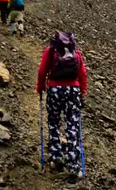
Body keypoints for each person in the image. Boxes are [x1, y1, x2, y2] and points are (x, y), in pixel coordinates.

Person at [36, 32, 87, 180]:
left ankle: (56, 158)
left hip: (54, 90)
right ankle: (74, 165)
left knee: (54, 123)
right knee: (73, 126)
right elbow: (82, 74)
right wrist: (82, 91)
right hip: (73, 91)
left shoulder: (50, 51)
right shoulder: (76, 53)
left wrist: (40, 87)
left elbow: (42, 71)